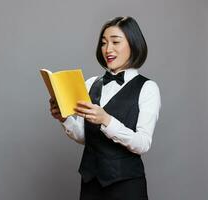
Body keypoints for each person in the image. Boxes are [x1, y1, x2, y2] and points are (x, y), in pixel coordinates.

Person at [49, 16, 161, 200]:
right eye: (103, 43)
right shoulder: (91, 83)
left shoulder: (148, 88)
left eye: (115, 42)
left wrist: (106, 120)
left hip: (126, 186)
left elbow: (143, 144)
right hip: (90, 183)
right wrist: (64, 119)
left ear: (133, 44)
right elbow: (85, 137)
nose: (108, 49)